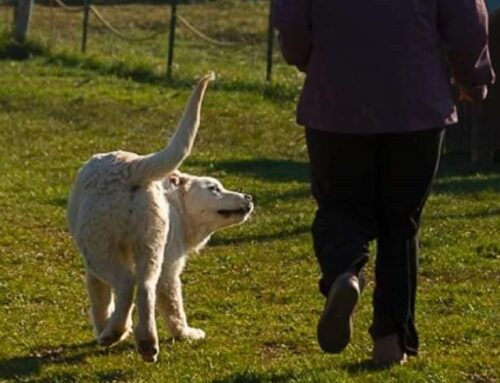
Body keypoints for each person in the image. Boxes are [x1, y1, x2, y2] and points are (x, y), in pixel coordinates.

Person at [273, 0, 495, 367]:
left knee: (339, 206)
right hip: (416, 103)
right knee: (401, 223)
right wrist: (473, 77)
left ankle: (345, 272)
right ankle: (390, 342)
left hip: (336, 102)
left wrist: (305, 58)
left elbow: (293, 21)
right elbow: (468, 20)